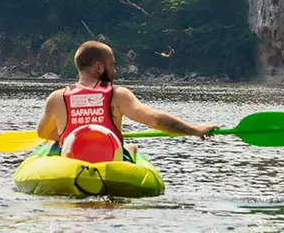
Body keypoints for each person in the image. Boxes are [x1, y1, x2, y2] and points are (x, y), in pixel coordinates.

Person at [36, 40, 212, 162]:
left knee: (54, 146)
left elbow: (43, 133)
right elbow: (155, 120)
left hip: (70, 160)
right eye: (112, 65)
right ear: (99, 67)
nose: (115, 71)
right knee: (132, 147)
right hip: (110, 159)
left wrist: (66, 135)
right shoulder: (118, 95)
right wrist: (194, 130)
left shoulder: (57, 98)